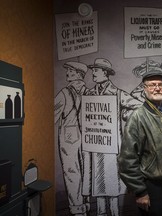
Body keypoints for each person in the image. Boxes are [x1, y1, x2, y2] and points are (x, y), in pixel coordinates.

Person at [118, 67, 162, 216]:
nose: (157, 88)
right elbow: (127, 159)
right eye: (152, 85)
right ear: (145, 89)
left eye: (160, 84)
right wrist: (140, 191)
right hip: (152, 187)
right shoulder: (137, 117)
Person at [82, 58, 142, 216]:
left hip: (112, 146)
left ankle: (115, 213)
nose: (93, 73)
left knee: (112, 183)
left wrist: (124, 114)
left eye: (96, 70)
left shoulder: (117, 93)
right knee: (99, 183)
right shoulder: (89, 93)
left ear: (105, 73)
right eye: (93, 70)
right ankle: (101, 213)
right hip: (96, 145)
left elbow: (138, 107)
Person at [54, 61, 89, 216]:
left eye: (71, 70)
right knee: (85, 170)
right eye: (68, 70)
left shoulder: (64, 93)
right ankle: (86, 204)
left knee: (72, 172)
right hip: (88, 135)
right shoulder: (89, 92)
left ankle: (77, 208)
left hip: (69, 135)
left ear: (79, 74)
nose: (67, 72)